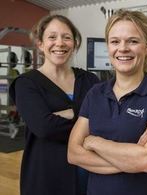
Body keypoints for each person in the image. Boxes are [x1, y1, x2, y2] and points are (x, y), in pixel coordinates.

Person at [67, 9, 147, 195]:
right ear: (108, 47)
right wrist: (131, 158)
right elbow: (73, 154)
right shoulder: (95, 94)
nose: (123, 48)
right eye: (115, 41)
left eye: (133, 41)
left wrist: (94, 142)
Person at [9, 15, 99, 195]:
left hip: (90, 175)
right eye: (52, 37)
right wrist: (83, 115)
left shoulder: (90, 80)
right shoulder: (26, 83)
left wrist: (64, 114)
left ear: (75, 43)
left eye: (66, 37)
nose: (60, 43)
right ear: (40, 44)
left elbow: (105, 119)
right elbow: (44, 127)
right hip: (47, 178)